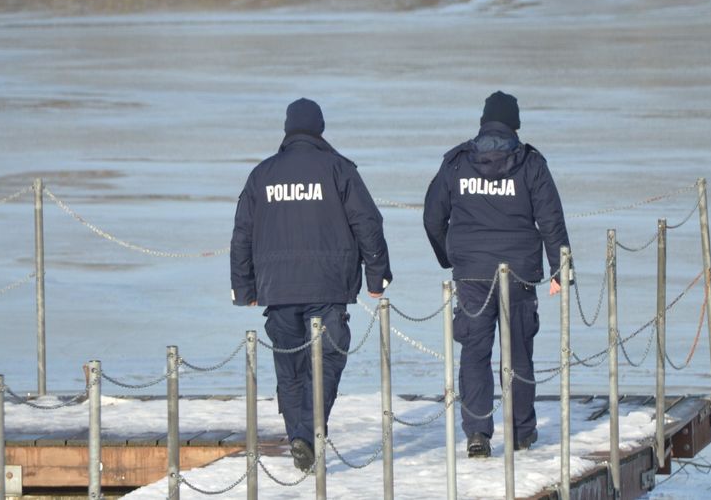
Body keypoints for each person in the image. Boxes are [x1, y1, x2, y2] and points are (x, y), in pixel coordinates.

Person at [231, 98, 392, 472]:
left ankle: (299, 438)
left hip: (278, 289)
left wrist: (245, 288)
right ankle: (306, 434)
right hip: (328, 287)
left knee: (290, 367)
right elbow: (368, 223)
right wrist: (376, 276)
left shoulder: (262, 174)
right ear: (319, 128)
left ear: (287, 129)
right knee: (328, 360)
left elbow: (242, 233)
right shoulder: (339, 169)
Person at [423, 91, 571, 458]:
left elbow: (432, 216)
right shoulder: (531, 163)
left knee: (474, 354)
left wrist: (450, 257)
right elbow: (551, 219)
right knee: (518, 353)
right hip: (519, 273)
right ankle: (521, 432)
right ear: (514, 124)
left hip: (472, 275)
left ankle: (477, 434)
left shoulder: (457, 163)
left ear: (483, 121)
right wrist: (561, 270)